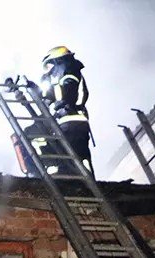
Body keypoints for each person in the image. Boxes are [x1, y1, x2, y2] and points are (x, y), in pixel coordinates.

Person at [38, 45, 91, 174]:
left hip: (71, 121)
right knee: (76, 158)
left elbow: (69, 89)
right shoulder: (65, 73)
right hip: (70, 122)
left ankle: (81, 180)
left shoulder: (69, 70)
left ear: (57, 60)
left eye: (50, 65)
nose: (49, 70)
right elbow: (48, 96)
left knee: (73, 157)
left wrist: (63, 103)